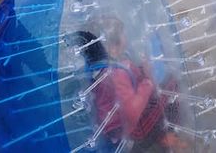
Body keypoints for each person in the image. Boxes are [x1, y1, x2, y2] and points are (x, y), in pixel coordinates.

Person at [69, 18, 186, 152]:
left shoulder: (107, 67)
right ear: (112, 49)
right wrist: (147, 82)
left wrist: (142, 70)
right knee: (172, 88)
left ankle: (162, 134)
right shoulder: (116, 74)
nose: (127, 38)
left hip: (118, 123)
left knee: (165, 90)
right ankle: (166, 136)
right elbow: (132, 111)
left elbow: (130, 82)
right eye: (123, 34)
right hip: (129, 131)